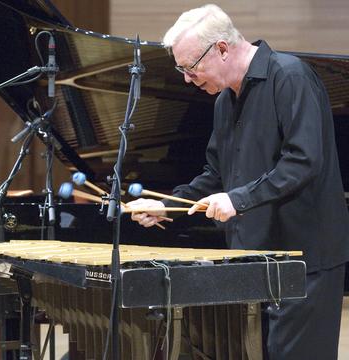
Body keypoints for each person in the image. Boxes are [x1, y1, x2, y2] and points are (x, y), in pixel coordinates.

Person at [128, 4, 349, 359]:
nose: (187, 78)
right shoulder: (225, 101)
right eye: (181, 69)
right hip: (253, 259)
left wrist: (239, 199)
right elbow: (217, 175)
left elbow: (303, 161)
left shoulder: (290, 78)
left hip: (303, 262)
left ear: (222, 48)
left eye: (190, 66)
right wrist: (168, 204)